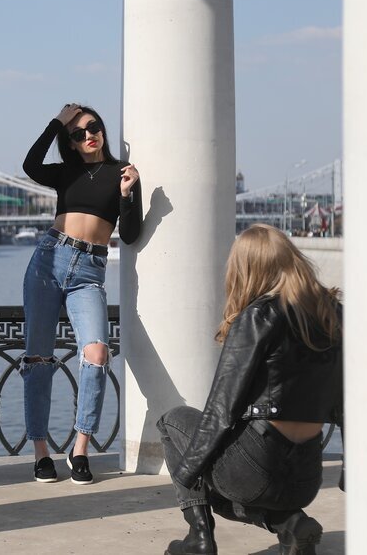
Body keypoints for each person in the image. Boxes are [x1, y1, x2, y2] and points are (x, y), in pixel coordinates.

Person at [157, 224, 343, 555]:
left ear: (247, 269)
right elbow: (349, 404)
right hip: (306, 478)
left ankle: (199, 538)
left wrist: (187, 478)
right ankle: (291, 524)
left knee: (172, 421)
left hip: (256, 469)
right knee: (225, 488)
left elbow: (221, 411)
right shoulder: (333, 314)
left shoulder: (258, 316)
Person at [20, 103, 142, 485]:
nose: (88, 135)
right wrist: (56, 122)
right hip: (48, 260)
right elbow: (30, 165)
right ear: (70, 143)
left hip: (89, 271)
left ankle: (80, 449)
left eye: (93, 127)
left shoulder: (122, 173)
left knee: (97, 353)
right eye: (77, 133)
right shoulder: (66, 172)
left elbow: (131, 233)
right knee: (39, 357)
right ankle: (41, 453)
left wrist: (127, 194)